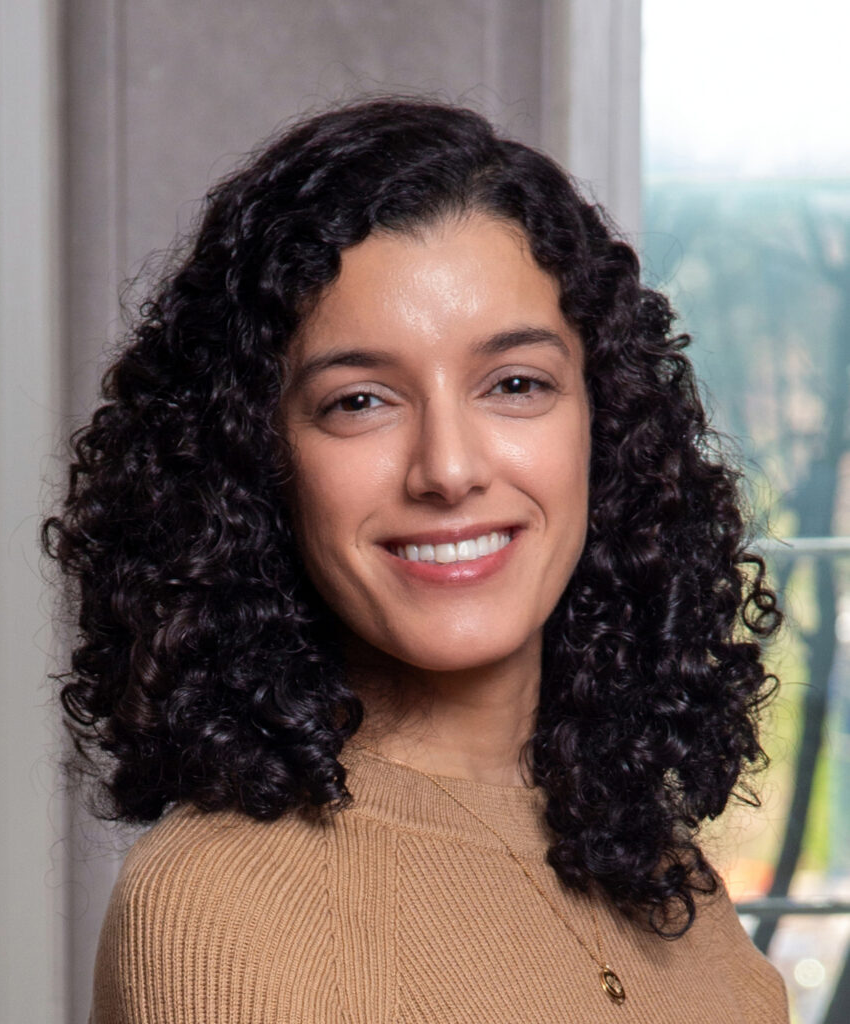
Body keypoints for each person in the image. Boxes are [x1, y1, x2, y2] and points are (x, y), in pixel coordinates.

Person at [42, 97, 790, 1023]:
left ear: (607, 428)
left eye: (515, 384)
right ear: (255, 463)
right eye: (360, 401)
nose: (448, 469)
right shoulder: (220, 911)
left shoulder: (659, 866)